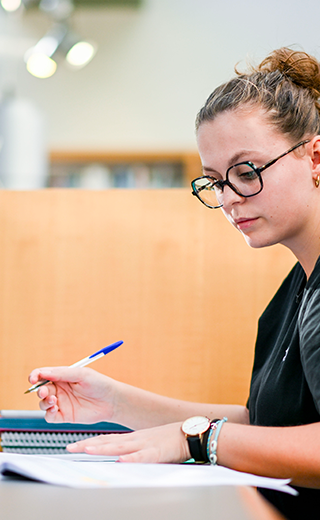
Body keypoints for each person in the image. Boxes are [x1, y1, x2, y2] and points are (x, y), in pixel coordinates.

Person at [29, 47, 320, 520]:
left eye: (246, 173)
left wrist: (200, 439)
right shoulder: (293, 291)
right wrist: (116, 403)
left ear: (315, 157)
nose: (228, 199)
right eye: (214, 182)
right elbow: (272, 427)